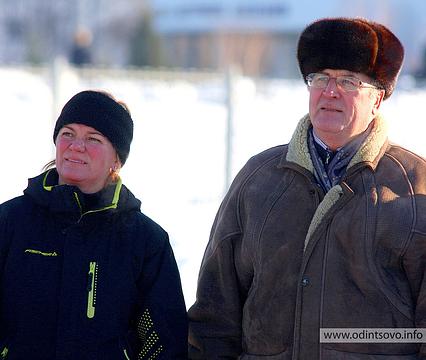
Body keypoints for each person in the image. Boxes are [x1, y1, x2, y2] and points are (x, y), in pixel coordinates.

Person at [188, 17, 426, 359]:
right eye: (320, 79)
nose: (330, 91)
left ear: (378, 98)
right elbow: (214, 315)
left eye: (348, 81)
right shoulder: (259, 180)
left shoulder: (415, 186)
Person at [0, 90, 188, 359]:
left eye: (93, 138)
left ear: (116, 158)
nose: (76, 145)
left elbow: (165, 342)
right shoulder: (10, 221)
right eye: (68, 133)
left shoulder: (146, 241)